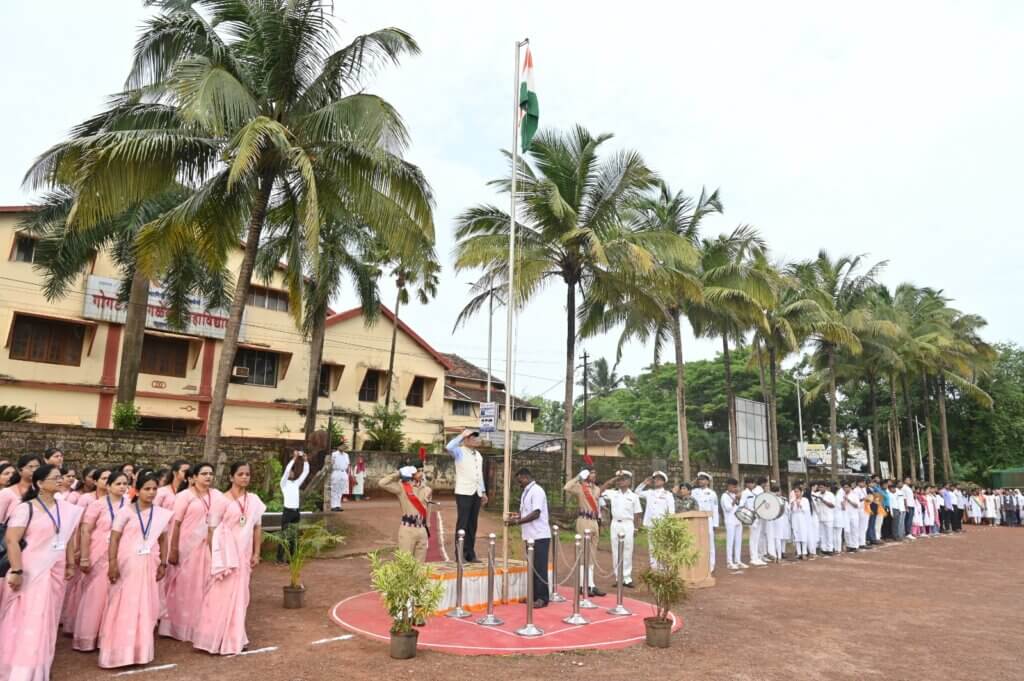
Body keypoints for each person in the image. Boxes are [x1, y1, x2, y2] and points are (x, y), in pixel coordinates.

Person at [0, 464, 84, 681]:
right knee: (26, 619)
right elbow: (12, 540)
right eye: (54, 478)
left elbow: (64, 540)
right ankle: (17, 669)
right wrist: (17, 570)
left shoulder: (63, 508)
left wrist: (69, 564)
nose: (60, 480)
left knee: (47, 619)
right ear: (39, 483)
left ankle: (40, 665)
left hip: (53, 572)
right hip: (30, 570)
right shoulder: (25, 508)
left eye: (60, 477)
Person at [98, 471, 172, 668]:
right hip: (127, 563)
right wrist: (112, 562)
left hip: (149, 563)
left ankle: (140, 651)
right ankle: (118, 652)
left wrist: (163, 563)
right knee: (123, 603)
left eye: (155, 489)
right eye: (147, 488)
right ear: (137, 491)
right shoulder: (126, 512)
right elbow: (114, 538)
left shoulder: (160, 514)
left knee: (146, 604)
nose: (151, 492)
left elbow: (164, 539)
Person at [193, 462, 266, 656]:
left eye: (247, 474)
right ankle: (213, 637)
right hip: (225, 557)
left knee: (241, 597)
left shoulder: (254, 500)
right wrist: (216, 557)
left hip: (243, 555)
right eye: (240, 474)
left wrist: (256, 553)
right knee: (219, 596)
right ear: (231, 477)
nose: (244, 477)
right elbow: (211, 530)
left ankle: (235, 637)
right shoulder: (221, 500)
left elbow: (257, 527)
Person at [161, 462, 223, 642]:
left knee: (205, 586)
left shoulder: (217, 496)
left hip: (208, 547)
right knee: (184, 587)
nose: (208, 477)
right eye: (204, 473)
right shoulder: (183, 496)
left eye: (210, 473)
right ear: (193, 477)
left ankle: (201, 626)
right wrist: (173, 550)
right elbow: (176, 523)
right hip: (187, 548)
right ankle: (178, 626)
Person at [71, 469, 130, 650]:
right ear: (109, 486)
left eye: (124, 484)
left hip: (121, 552)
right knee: (95, 595)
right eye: (118, 483)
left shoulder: (129, 504)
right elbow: (86, 530)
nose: (122, 487)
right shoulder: (98, 505)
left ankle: (109, 636)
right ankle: (88, 637)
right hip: (98, 551)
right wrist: (85, 556)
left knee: (117, 595)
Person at [505, 468, 550, 608]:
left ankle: (542, 598)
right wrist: (516, 516)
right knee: (532, 568)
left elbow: (536, 513)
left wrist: (518, 522)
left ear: (525, 477)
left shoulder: (537, 491)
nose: (519, 483)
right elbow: (525, 512)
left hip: (540, 535)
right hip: (530, 536)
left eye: (519, 480)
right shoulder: (526, 491)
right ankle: (533, 596)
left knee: (540, 567)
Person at [562, 469, 608, 596]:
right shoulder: (580, 487)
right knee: (583, 551)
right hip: (584, 520)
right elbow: (566, 487)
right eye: (590, 473)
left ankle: (591, 585)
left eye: (594, 473)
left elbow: (598, 505)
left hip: (594, 521)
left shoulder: (597, 489)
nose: (593, 475)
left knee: (592, 553)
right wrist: (578, 476)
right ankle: (583, 585)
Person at [446, 429, 488, 563]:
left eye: (476, 437)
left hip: (476, 491)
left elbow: (479, 475)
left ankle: (470, 553)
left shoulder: (479, 455)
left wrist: (483, 492)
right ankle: (459, 554)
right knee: (462, 523)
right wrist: (461, 435)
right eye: (472, 437)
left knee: (472, 524)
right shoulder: (459, 451)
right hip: (463, 492)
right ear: (466, 439)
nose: (476, 439)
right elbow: (449, 447)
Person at [377, 465, 432, 561]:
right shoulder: (402, 487)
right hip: (408, 529)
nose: (421, 473)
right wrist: (399, 473)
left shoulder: (427, 489)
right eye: (418, 471)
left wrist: (427, 525)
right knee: (405, 564)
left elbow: (428, 508)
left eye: (422, 471)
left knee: (420, 566)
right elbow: (382, 483)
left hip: (422, 529)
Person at [599, 471, 642, 588]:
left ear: (629, 481)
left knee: (627, 550)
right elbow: (599, 491)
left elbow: (637, 513)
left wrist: (637, 528)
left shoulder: (634, 496)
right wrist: (611, 480)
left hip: (628, 524)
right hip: (615, 524)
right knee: (616, 550)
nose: (620, 481)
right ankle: (618, 577)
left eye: (623, 479)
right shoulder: (613, 493)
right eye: (619, 479)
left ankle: (627, 578)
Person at [635, 472, 676, 568]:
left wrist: (669, 524)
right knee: (652, 547)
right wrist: (644, 483)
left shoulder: (668, 494)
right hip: (651, 523)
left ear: (663, 481)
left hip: (662, 524)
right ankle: (654, 568)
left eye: (659, 479)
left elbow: (671, 511)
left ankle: (663, 568)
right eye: (655, 479)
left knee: (663, 546)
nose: (656, 481)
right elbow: (637, 493)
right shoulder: (649, 493)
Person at [277, 450, 309, 563]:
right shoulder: (283, 484)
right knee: (284, 535)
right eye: (291, 471)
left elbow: (305, 473)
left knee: (293, 536)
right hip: (287, 512)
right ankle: (280, 559)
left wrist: (305, 461)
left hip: (296, 512)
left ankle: (292, 558)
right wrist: (294, 459)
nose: (291, 473)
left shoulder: (296, 484)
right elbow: (286, 471)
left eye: (292, 472)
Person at [691, 472, 720, 573]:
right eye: (699, 479)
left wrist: (715, 524)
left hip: (708, 520)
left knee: (710, 544)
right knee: (697, 543)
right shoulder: (694, 492)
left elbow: (715, 509)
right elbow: (684, 489)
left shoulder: (712, 493)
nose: (701, 481)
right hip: (697, 520)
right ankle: (699, 565)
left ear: (708, 481)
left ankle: (711, 566)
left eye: (703, 479)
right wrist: (693, 482)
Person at [720, 478, 744, 570]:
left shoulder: (736, 495)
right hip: (730, 521)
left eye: (735, 487)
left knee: (738, 541)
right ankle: (729, 561)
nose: (735, 488)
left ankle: (738, 560)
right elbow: (728, 508)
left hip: (738, 520)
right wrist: (735, 499)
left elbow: (741, 506)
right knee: (730, 541)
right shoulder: (724, 496)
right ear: (728, 486)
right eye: (733, 486)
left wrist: (739, 497)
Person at [790, 483, 812, 560]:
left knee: (803, 535)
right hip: (795, 519)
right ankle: (798, 553)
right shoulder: (792, 500)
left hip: (803, 519)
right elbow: (791, 511)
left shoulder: (805, 500)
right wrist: (792, 506)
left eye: (798, 491)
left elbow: (806, 511)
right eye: (795, 492)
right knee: (797, 536)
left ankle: (804, 552)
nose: (796, 493)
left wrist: (800, 505)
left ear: (801, 492)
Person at [329, 447, 350, 512]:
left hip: (343, 472)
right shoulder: (334, 454)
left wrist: (347, 473)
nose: (343, 448)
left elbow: (348, 464)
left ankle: (338, 505)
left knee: (340, 490)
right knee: (334, 489)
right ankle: (333, 506)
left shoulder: (346, 455)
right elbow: (331, 463)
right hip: (336, 471)